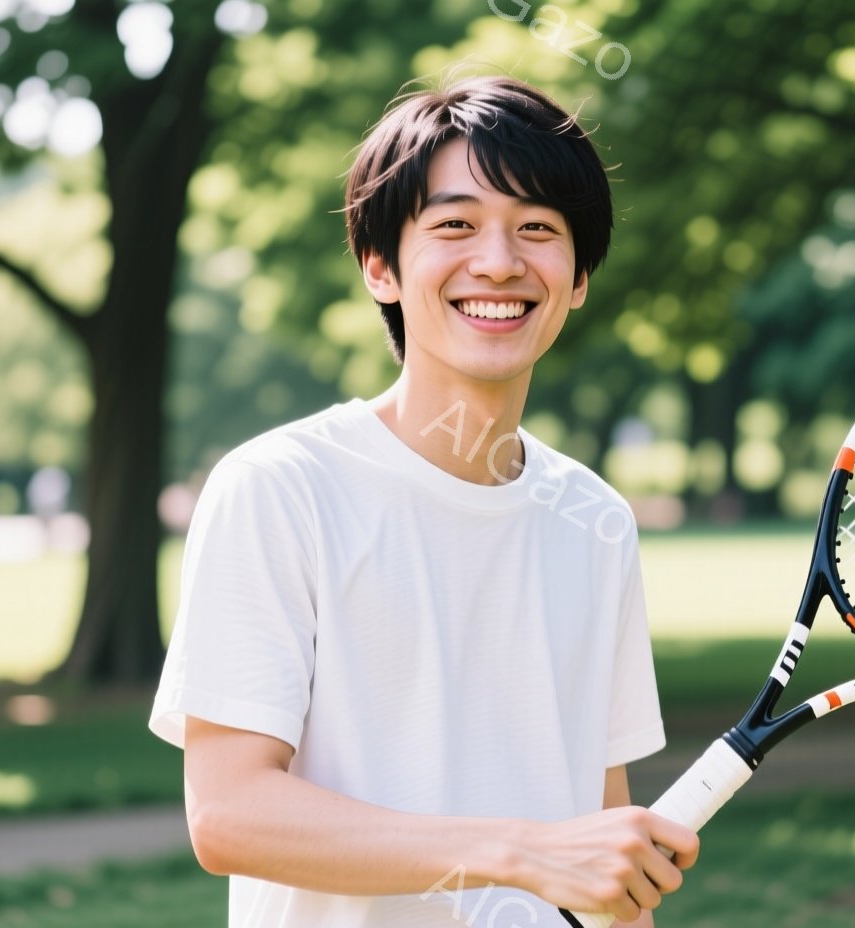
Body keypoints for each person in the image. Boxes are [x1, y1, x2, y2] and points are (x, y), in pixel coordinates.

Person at [149, 75, 698, 927]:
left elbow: (599, 837)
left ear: (579, 277)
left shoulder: (595, 521)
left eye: (538, 229)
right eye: (454, 224)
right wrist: (520, 852)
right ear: (380, 267)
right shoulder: (280, 488)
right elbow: (228, 815)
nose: (499, 261)